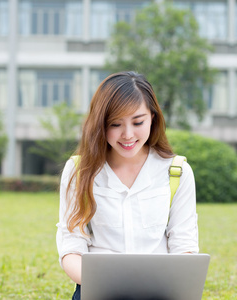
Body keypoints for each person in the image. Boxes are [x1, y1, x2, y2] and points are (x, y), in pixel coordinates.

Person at [56, 71, 199, 300]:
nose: (128, 135)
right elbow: (72, 247)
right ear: (100, 124)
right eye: (115, 124)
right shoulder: (79, 171)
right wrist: (107, 285)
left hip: (159, 292)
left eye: (138, 121)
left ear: (153, 117)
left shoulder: (177, 172)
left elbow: (184, 246)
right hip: (98, 290)